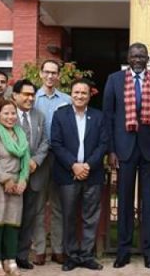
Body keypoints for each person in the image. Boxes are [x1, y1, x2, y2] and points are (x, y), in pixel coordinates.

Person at [103, 42, 150, 269]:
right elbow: (108, 117)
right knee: (124, 202)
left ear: (147, 59)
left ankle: (149, 251)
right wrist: (111, 150)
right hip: (124, 149)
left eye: (142, 56)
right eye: (134, 55)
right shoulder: (114, 80)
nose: (138, 59)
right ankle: (123, 250)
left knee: (149, 202)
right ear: (128, 58)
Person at [51, 79, 109, 271]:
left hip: (93, 174)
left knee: (90, 217)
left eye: (84, 93)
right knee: (69, 216)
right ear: (71, 94)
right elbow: (56, 143)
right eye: (76, 92)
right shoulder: (60, 115)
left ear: (89, 95)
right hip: (67, 174)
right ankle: (72, 256)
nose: (79, 96)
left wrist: (87, 166)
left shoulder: (98, 116)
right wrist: (74, 166)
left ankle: (86, 255)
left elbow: (103, 144)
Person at [31, 60, 73, 266]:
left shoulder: (67, 100)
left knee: (58, 205)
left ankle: (58, 249)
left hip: (59, 158)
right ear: (40, 74)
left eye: (54, 73)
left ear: (59, 75)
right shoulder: (32, 98)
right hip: (38, 158)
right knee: (38, 205)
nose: (50, 76)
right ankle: (39, 249)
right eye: (46, 72)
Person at [0, 99, 32, 276]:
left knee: (13, 222)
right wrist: (5, 180)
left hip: (17, 183)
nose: (10, 117)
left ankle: (10, 260)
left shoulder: (20, 132)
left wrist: (23, 180)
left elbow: (26, 158)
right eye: (6, 113)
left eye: (13, 113)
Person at [9, 79, 49, 270]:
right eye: (26, 94)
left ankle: (22, 255)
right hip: (13, 175)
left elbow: (45, 141)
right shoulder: (7, 115)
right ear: (15, 95)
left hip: (34, 174)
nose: (30, 98)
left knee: (28, 217)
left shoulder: (39, 116)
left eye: (32, 95)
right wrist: (23, 164)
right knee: (11, 217)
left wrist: (35, 161)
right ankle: (7, 255)